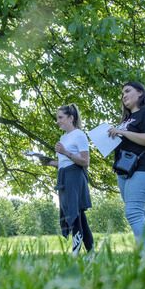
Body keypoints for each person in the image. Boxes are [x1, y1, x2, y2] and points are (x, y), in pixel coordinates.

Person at [107, 81, 145, 255]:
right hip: (125, 172)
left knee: (133, 212)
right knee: (139, 214)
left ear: (140, 93)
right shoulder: (126, 119)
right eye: (122, 93)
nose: (124, 95)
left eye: (127, 91)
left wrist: (122, 132)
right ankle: (144, 255)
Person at [45, 104, 94, 255]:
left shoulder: (79, 134)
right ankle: (91, 252)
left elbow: (85, 161)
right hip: (64, 177)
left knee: (74, 213)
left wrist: (65, 151)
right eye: (57, 118)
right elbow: (64, 162)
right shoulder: (63, 137)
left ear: (71, 118)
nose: (57, 121)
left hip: (75, 177)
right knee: (79, 215)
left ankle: (75, 253)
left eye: (60, 117)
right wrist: (47, 161)